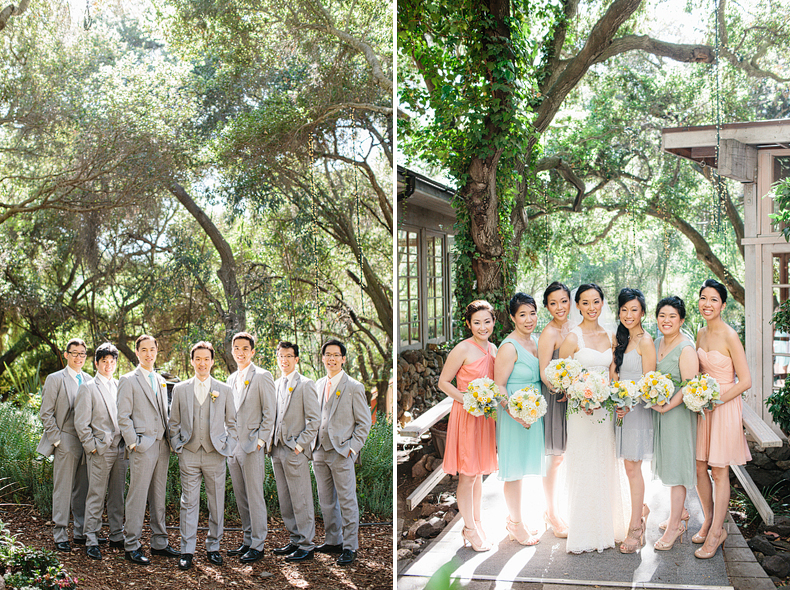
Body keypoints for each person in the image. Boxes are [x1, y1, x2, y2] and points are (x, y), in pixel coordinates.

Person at [559, 283, 628, 553]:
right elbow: (561, 376)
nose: (591, 307)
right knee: (583, 463)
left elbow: (614, 374)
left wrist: (614, 396)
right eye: (585, 302)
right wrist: (578, 396)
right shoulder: (572, 338)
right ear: (577, 305)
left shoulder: (612, 335)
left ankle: (607, 527)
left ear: (602, 303)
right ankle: (583, 531)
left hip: (605, 409)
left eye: (596, 301)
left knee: (604, 462)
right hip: (580, 412)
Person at [694, 279, 752, 559]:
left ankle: (718, 531)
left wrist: (717, 399)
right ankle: (708, 519)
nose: (707, 303)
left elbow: (746, 381)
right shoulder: (700, 333)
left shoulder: (730, 335)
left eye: (713, 299)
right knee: (698, 466)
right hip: (704, 406)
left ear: (723, 305)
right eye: (703, 298)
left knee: (719, 471)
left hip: (724, 405)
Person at [169, 341, 237, 571]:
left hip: (215, 454)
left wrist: (227, 447)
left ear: (212, 361)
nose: (202, 363)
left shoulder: (224, 389)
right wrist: (177, 445)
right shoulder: (180, 389)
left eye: (206, 359)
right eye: (198, 359)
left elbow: (233, 424)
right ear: (192, 361)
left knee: (216, 502)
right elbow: (174, 423)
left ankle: (213, 546)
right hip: (188, 453)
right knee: (188, 502)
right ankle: (186, 550)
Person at [437, 300, 498, 552]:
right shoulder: (462, 348)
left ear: (494, 321)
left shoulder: (494, 348)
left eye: (487, 321)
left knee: (479, 473)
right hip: (466, 414)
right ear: (468, 324)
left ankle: (477, 523)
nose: (482, 327)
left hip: (485, 418)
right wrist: (469, 399)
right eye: (477, 322)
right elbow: (443, 382)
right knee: (468, 474)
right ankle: (469, 528)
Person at [117, 334, 179, 565]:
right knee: (137, 496)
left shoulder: (160, 380)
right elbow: (123, 416)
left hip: (162, 445)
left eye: (152, 349)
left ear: (156, 351)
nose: (149, 354)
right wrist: (134, 443)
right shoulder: (128, 380)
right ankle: (131, 544)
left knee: (158, 496)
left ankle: (159, 542)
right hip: (142, 446)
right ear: (137, 352)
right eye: (144, 350)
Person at [313, 339, 372, 566]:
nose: (332, 359)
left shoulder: (354, 387)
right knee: (326, 500)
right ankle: (333, 541)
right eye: (328, 355)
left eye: (336, 355)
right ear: (323, 358)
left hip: (342, 452)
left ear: (343, 359)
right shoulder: (317, 385)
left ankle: (350, 546)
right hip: (319, 451)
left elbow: (363, 423)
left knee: (347, 500)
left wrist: (352, 448)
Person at [493, 293, 544, 546]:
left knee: (524, 468)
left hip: (533, 412)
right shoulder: (509, 347)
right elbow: (499, 386)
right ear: (513, 317)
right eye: (522, 314)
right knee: (513, 470)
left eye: (532, 313)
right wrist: (516, 414)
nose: (528, 319)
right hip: (514, 415)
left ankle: (518, 520)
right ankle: (514, 523)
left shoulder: (536, 341)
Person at [651, 296, 699, 551]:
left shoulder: (686, 348)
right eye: (662, 316)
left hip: (678, 414)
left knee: (678, 469)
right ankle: (679, 513)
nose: (666, 321)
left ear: (681, 320)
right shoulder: (657, 342)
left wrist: (667, 406)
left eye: (672, 316)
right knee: (669, 464)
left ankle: (675, 528)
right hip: (661, 412)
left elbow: (689, 386)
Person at [610, 288, 655, 553]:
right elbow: (615, 376)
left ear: (642, 313)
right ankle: (642, 510)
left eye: (634, 309)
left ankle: (636, 527)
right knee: (628, 467)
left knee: (633, 468)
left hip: (637, 412)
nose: (628, 314)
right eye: (624, 309)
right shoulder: (621, 339)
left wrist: (629, 403)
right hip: (621, 411)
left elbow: (649, 382)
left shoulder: (646, 341)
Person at [226, 331, 276, 563]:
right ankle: (247, 540)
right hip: (233, 448)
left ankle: (258, 544)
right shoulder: (230, 379)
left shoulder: (262, 376)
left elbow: (270, 412)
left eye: (245, 348)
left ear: (252, 351)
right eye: (237, 348)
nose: (240, 352)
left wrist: (261, 441)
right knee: (241, 496)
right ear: (232, 350)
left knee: (255, 496)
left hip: (252, 446)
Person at [74, 343, 128, 559]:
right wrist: (92, 448)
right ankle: (92, 538)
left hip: (120, 448)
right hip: (100, 449)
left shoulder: (120, 385)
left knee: (117, 495)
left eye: (112, 361)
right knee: (95, 494)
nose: (108, 365)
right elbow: (81, 423)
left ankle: (116, 534)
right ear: (96, 363)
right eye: (104, 361)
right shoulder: (88, 387)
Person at [36, 338, 91, 552]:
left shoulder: (89, 379)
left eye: (82, 354)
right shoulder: (55, 379)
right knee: (63, 488)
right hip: (65, 438)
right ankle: (60, 533)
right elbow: (46, 412)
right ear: (66, 355)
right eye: (74, 353)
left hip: (85, 441)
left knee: (82, 488)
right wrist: (57, 439)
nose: (78, 357)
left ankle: (80, 532)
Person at [270, 341, 320, 562]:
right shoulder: (275, 384)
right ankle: (295, 540)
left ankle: (307, 545)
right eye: (281, 356)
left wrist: (300, 446)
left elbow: (314, 420)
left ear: (296, 359)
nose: (284, 360)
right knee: (286, 498)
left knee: (301, 498)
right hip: (277, 450)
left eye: (289, 356)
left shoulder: (306, 384)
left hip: (295, 450)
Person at [537, 282, 571, 538]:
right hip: (558, 400)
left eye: (563, 300)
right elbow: (544, 372)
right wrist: (561, 389)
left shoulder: (575, 328)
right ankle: (551, 512)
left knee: (575, 457)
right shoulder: (548, 334)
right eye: (553, 303)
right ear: (547, 306)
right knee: (556, 458)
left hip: (579, 399)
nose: (559, 307)